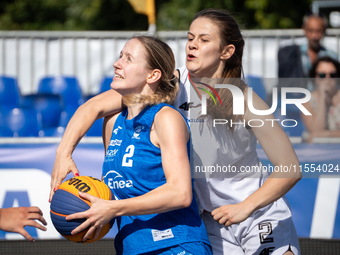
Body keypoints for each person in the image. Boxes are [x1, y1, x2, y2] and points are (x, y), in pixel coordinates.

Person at [50, 9, 302, 255]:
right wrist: (64, 152)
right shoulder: (171, 83)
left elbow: (290, 168)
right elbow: (93, 107)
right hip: (212, 221)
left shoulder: (245, 100)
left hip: (256, 212)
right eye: (190, 38)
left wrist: (244, 207)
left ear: (227, 51)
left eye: (204, 40)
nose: (192, 45)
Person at [64, 36, 212, 254]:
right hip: (131, 246)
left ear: (153, 75)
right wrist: (94, 213)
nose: (117, 63)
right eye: (119, 56)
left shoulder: (165, 118)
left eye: (129, 59)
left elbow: (180, 193)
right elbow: (116, 194)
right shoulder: (113, 123)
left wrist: (112, 209)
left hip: (176, 244)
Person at [278, 12, 338, 81]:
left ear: (324, 30)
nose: (314, 36)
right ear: (304, 29)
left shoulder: (332, 57)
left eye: (318, 31)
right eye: (310, 30)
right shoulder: (292, 55)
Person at [301, 56, 340, 142]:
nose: (327, 78)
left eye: (332, 75)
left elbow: (317, 135)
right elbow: (316, 130)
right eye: (322, 75)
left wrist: (326, 134)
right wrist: (323, 98)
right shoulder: (306, 101)